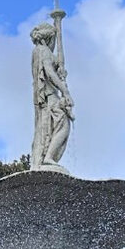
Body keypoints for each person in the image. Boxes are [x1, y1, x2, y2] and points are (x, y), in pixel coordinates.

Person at [30, 22, 74, 170]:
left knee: (49, 129)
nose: (54, 44)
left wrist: (60, 69)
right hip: (50, 97)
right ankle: (48, 157)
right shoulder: (43, 51)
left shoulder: (38, 51)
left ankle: (46, 157)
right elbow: (49, 73)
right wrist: (65, 91)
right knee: (63, 125)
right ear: (47, 39)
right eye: (53, 40)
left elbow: (51, 70)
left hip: (47, 98)